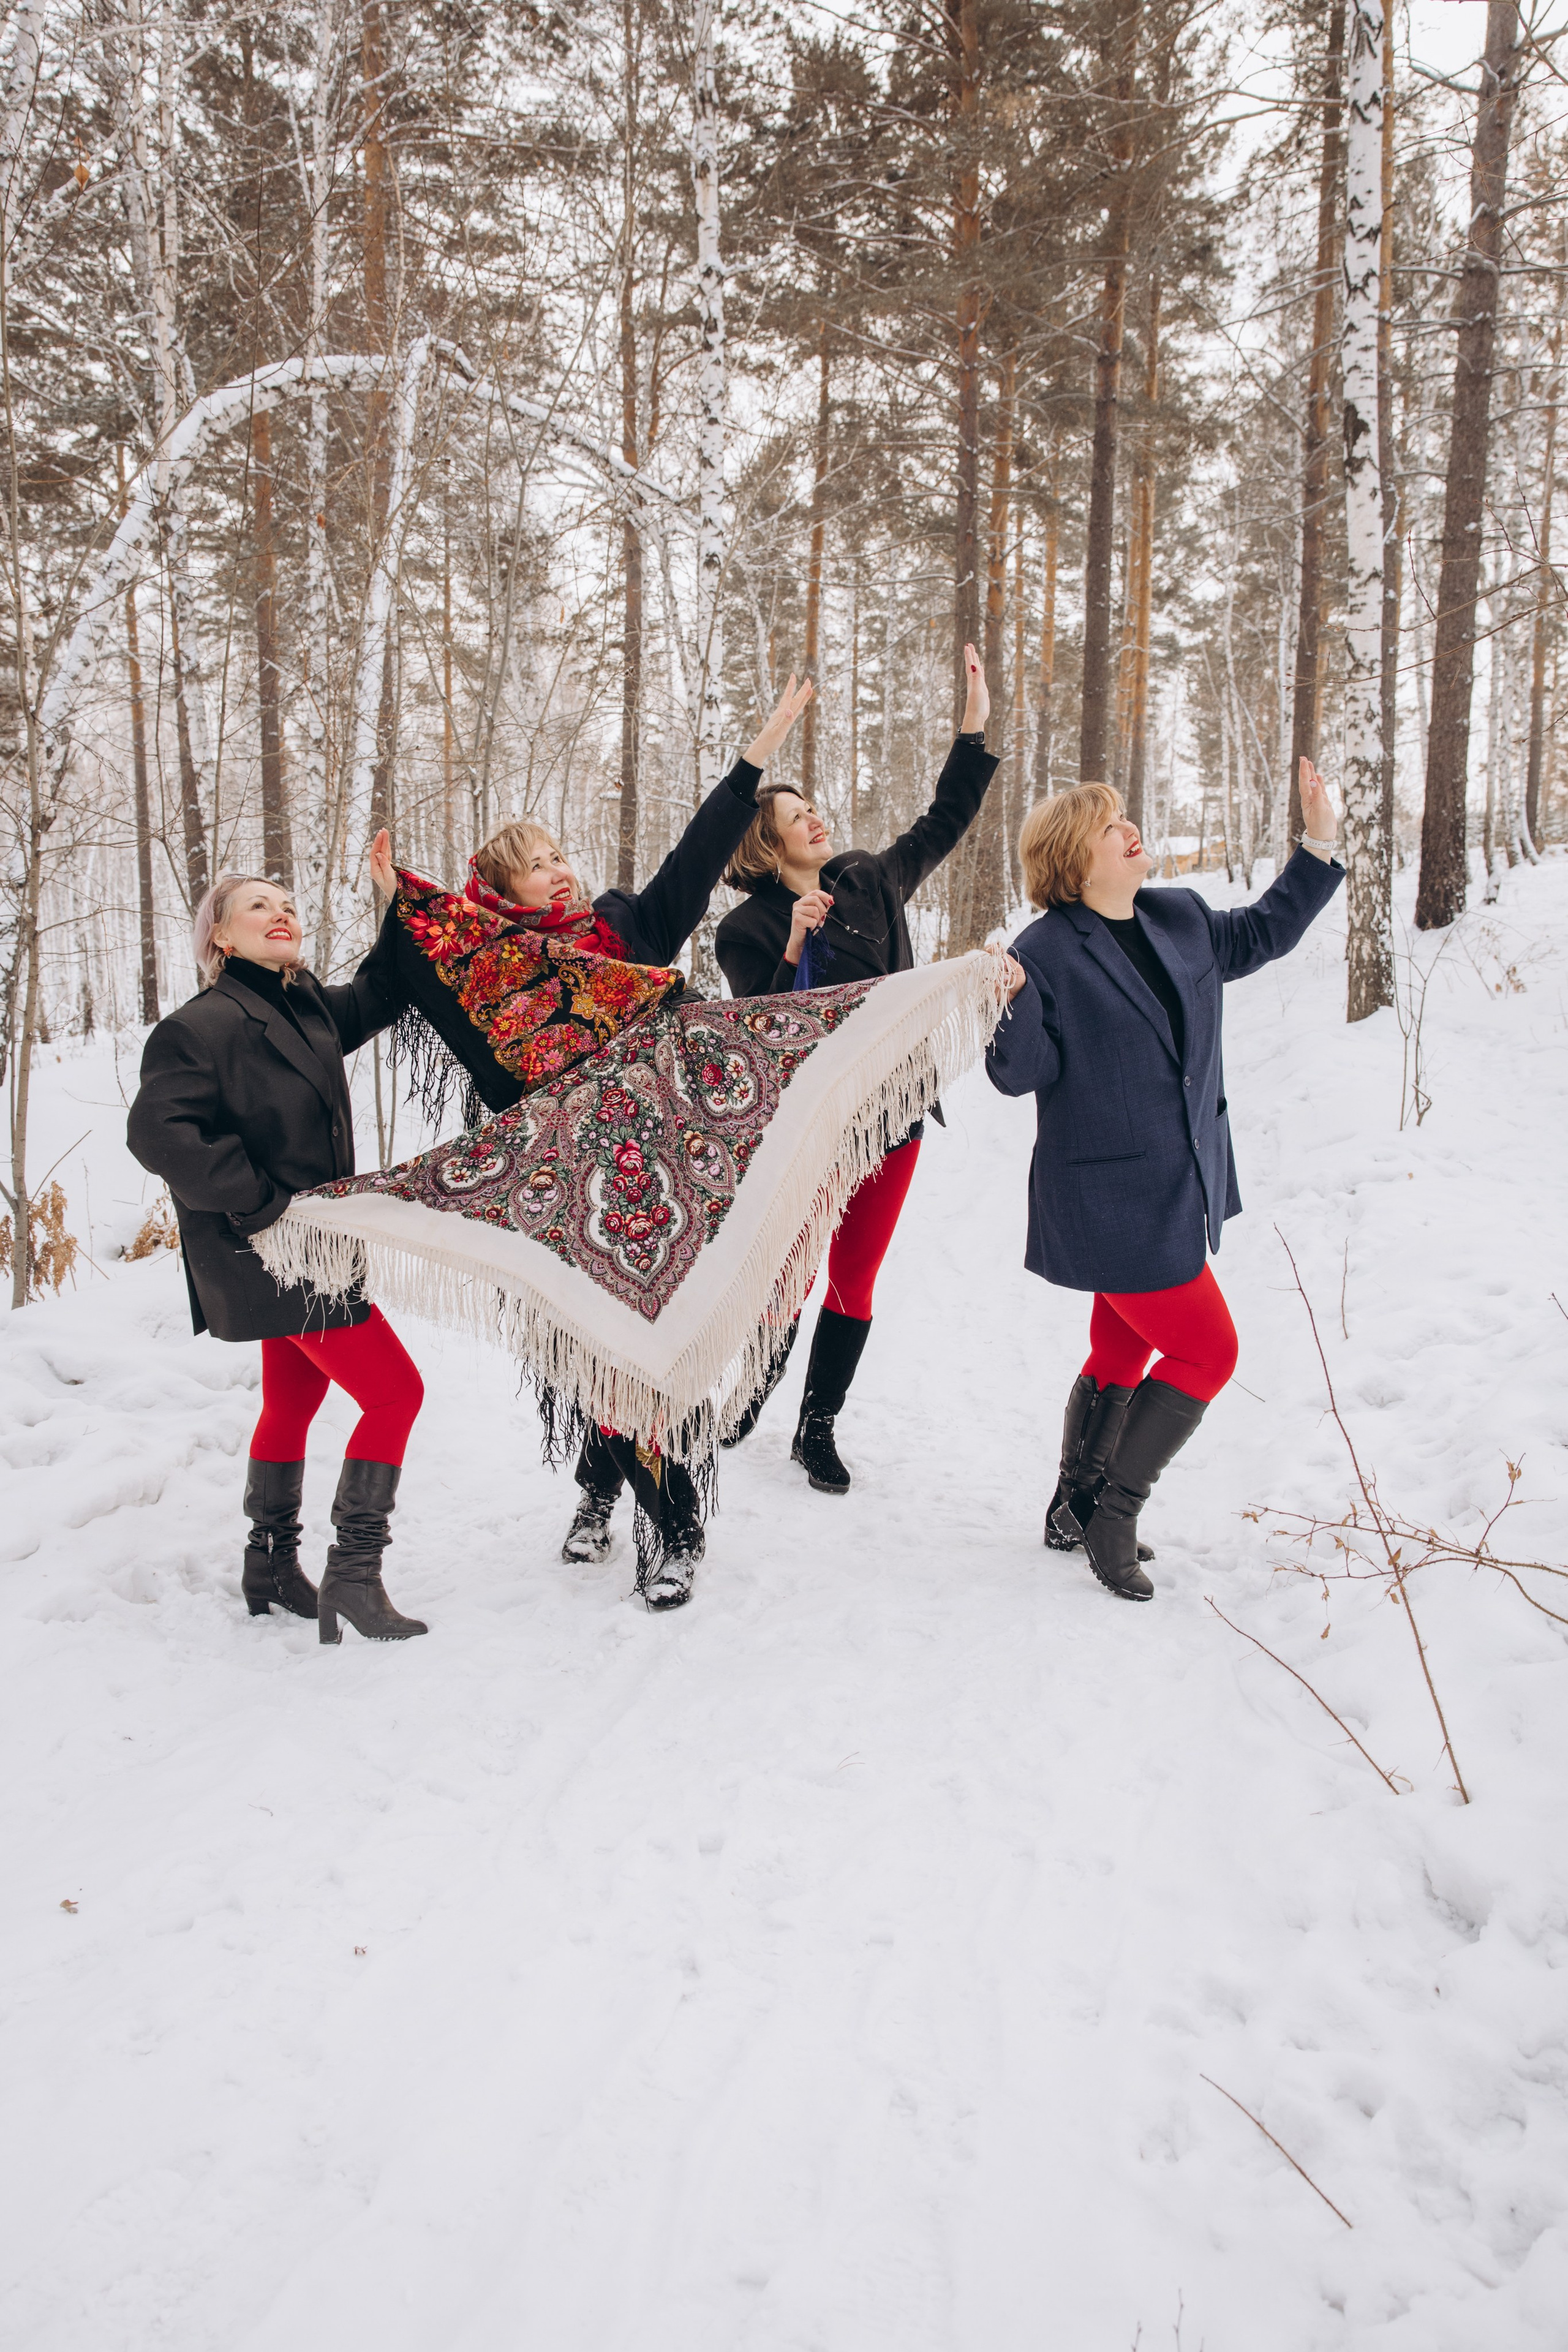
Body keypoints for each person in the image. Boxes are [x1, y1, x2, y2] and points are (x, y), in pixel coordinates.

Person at [366, 674, 815, 1604]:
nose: (559, 870)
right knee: (596, 1358)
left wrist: (758, 752)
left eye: (559, 854)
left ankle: (627, 1506)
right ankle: (654, 1516)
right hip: (555, 1190)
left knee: (646, 1351)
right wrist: (396, 904)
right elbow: (425, 982)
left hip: (653, 1176)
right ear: (499, 891)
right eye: (537, 865)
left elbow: (695, 859)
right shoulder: (487, 973)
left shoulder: (621, 930)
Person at [984, 758, 1343, 1600]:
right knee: (1209, 1350)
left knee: (1122, 1346)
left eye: (1123, 816)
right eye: (1108, 825)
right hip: (1105, 1201)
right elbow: (1018, 1073)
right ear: (1074, 861)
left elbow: (1265, 932)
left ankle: (1072, 1505)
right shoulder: (1044, 952)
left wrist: (1318, 842)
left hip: (1182, 1182)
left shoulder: (1177, 915)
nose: (1128, 828)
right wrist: (1010, 998)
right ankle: (1115, 1513)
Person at [712, 643, 998, 1494]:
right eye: (795, 816)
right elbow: (760, 1032)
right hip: (810, 1128)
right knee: (790, 1272)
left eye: (812, 808)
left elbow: (941, 824)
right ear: (764, 844)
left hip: (893, 1115)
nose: (815, 820)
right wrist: (795, 940)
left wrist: (971, 731)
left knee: (854, 1278)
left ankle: (818, 1428)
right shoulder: (746, 930)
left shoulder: (870, 880)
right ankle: (751, 1389)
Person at [126, 874, 428, 1644]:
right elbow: (158, 1134)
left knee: (293, 1404)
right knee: (395, 1394)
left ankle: (268, 1565)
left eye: (287, 903)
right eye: (258, 905)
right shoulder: (199, 1027)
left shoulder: (306, 1006)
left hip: (308, 1248)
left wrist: (399, 902)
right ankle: (354, 1575)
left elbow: (384, 987)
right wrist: (260, 1203)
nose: (281, 912)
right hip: (265, 1248)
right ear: (221, 937)